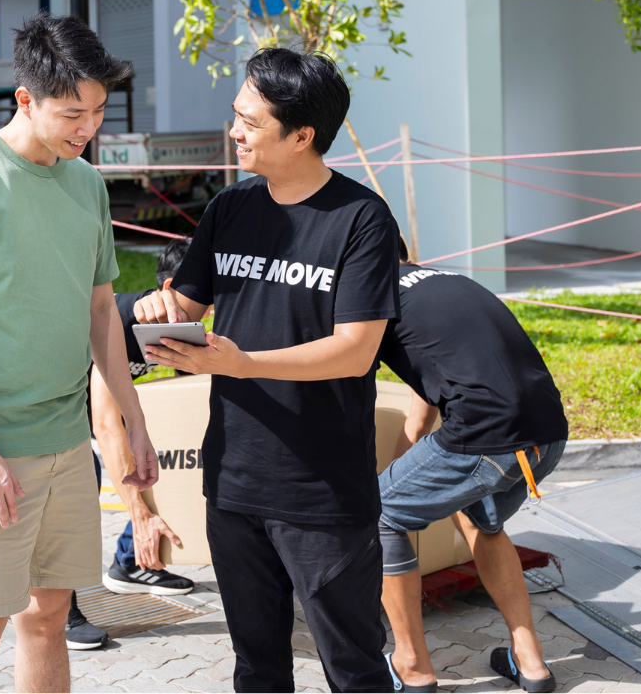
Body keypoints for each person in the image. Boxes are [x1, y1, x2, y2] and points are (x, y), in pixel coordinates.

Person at [0, 14, 158, 694]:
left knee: (48, 616)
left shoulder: (86, 186)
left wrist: (131, 421)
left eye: (99, 112)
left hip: (67, 445)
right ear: (25, 100)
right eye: (73, 113)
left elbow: (101, 310)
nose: (88, 128)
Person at [138, 48, 400, 694]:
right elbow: (189, 304)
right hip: (233, 481)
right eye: (237, 117)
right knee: (257, 668)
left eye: (249, 122)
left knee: (355, 668)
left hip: (323, 493)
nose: (235, 133)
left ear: (302, 135)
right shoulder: (231, 208)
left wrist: (244, 362)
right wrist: (161, 308)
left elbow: (356, 349)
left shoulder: (360, 220)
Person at [375, 240, 568, 694]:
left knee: (378, 515)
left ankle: (412, 667)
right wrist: (409, 473)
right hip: (549, 433)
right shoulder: (449, 281)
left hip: (486, 440)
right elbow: (425, 406)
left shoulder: (375, 298)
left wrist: (388, 487)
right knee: (481, 521)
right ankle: (532, 663)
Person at [87, 237, 197, 597]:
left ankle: (131, 563)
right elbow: (105, 423)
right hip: (58, 412)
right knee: (82, 482)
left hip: (102, 413)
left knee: (165, 462)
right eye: (203, 297)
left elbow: (191, 399)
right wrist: (138, 513)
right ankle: (62, 612)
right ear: (168, 289)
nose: (210, 309)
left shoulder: (182, 327)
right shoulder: (120, 319)